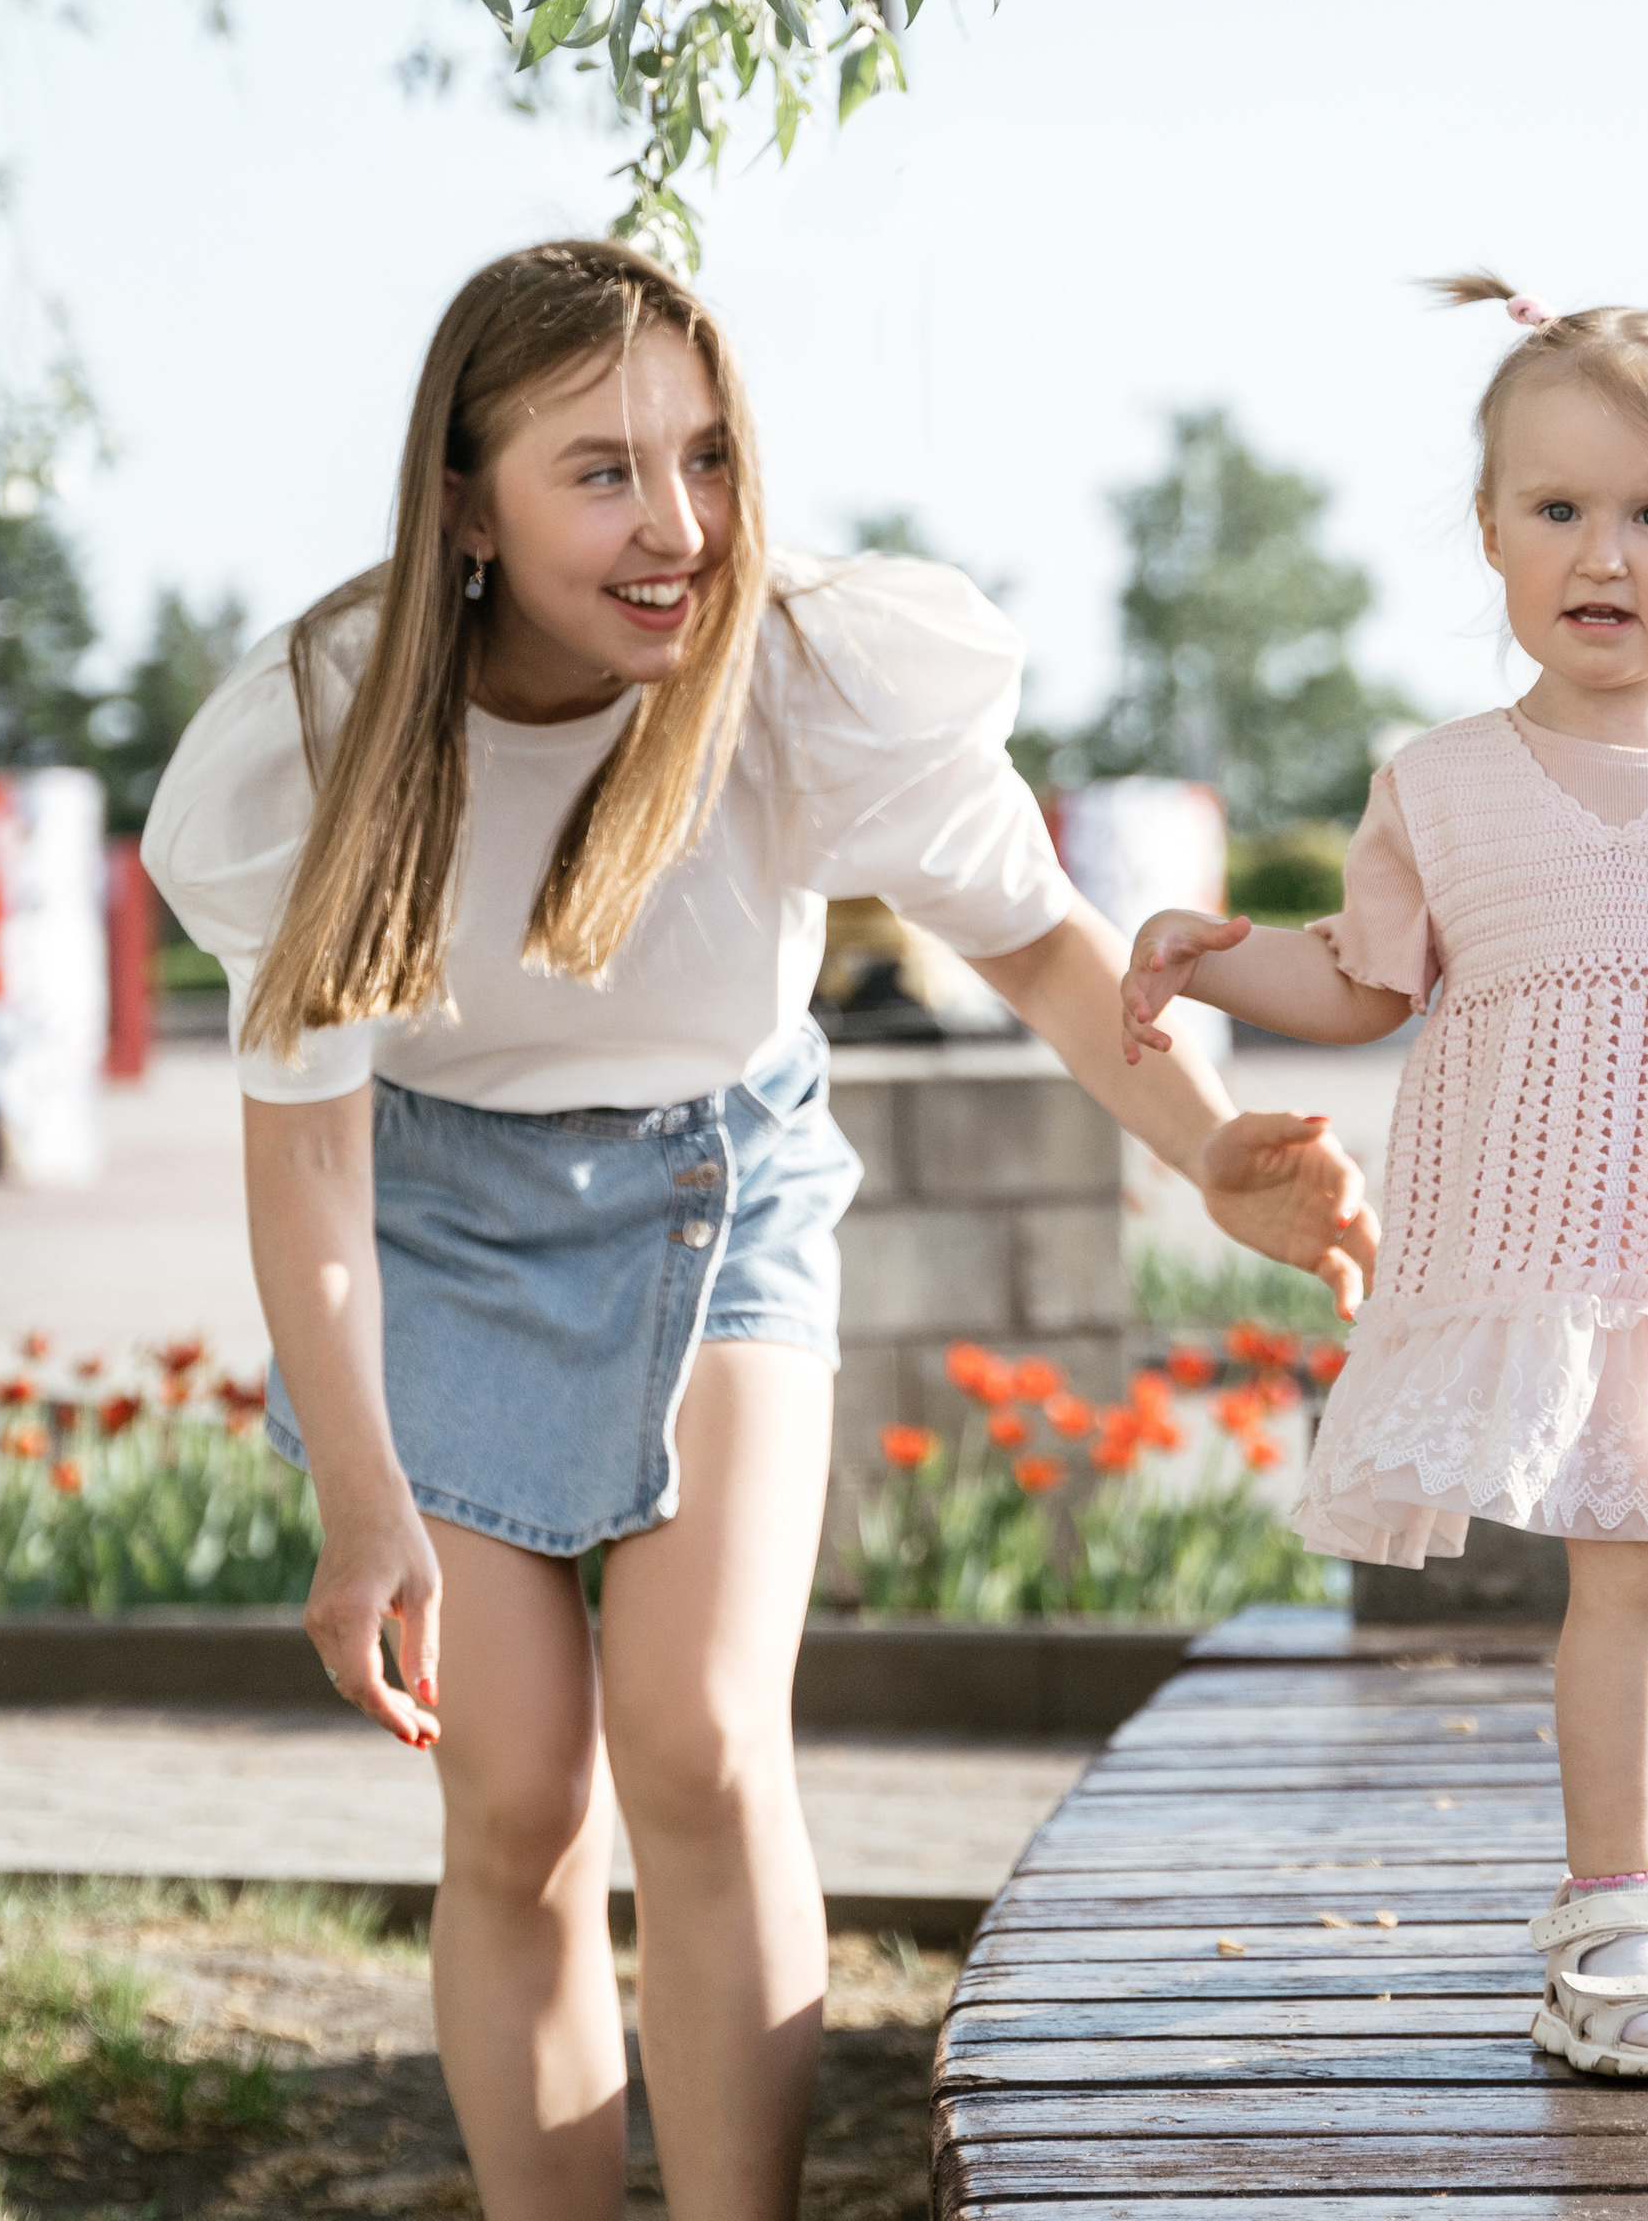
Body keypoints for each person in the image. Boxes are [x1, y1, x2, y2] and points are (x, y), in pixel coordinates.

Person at [143, 237, 1377, 2219]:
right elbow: (303, 1156)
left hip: (717, 1184)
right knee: (516, 1796)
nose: (677, 527)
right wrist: (358, 1501)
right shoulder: (325, 739)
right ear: (464, 499)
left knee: (703, 1748)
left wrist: (1213, 1144)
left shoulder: (799, 677)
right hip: (432, 1215)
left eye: (704, 459)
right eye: (601, 471)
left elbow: (1051, 956)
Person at [1121, 277, 1648, 2083]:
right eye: (1559, 509)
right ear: (1493, 532)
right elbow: (1360, 980)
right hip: (1560, 1252)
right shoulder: (1441, 785)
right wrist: (1212, 954)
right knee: (1644, 1576)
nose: (1606, 551)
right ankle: (1610, 1928)